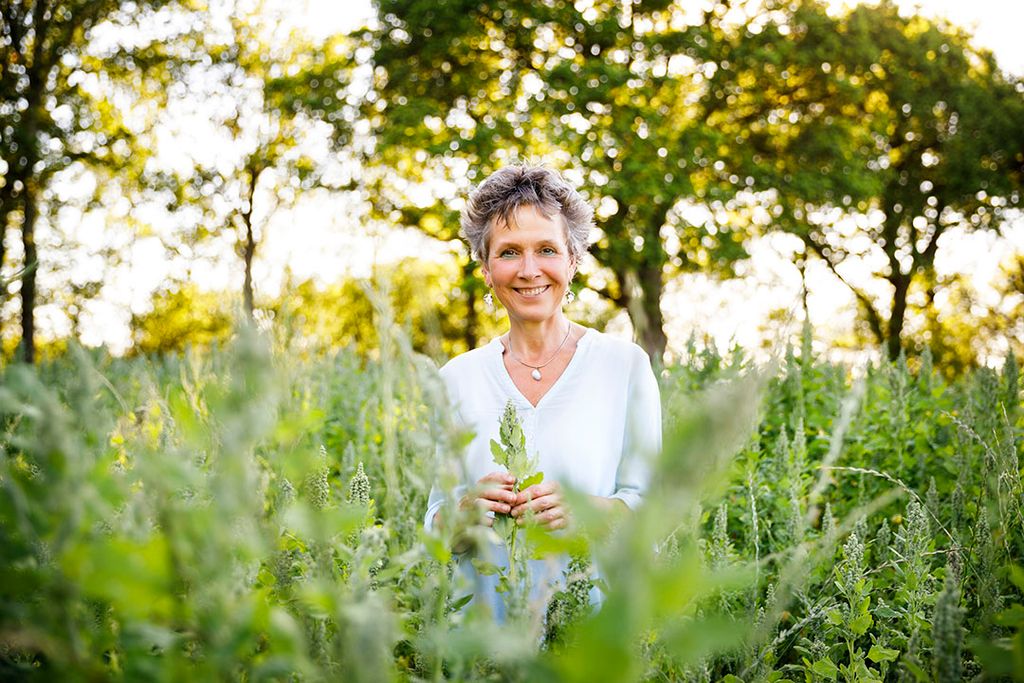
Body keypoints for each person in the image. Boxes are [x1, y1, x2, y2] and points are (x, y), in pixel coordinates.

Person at [424, 164, 662, 620]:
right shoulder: (455, 379)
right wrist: (462, 514)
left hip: (590, 642)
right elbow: (435, 521)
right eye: (509, 252)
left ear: (573, 260)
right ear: (487, 269)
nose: (529, 270)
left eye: (547, 249)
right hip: (482, 647)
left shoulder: (624, 366)